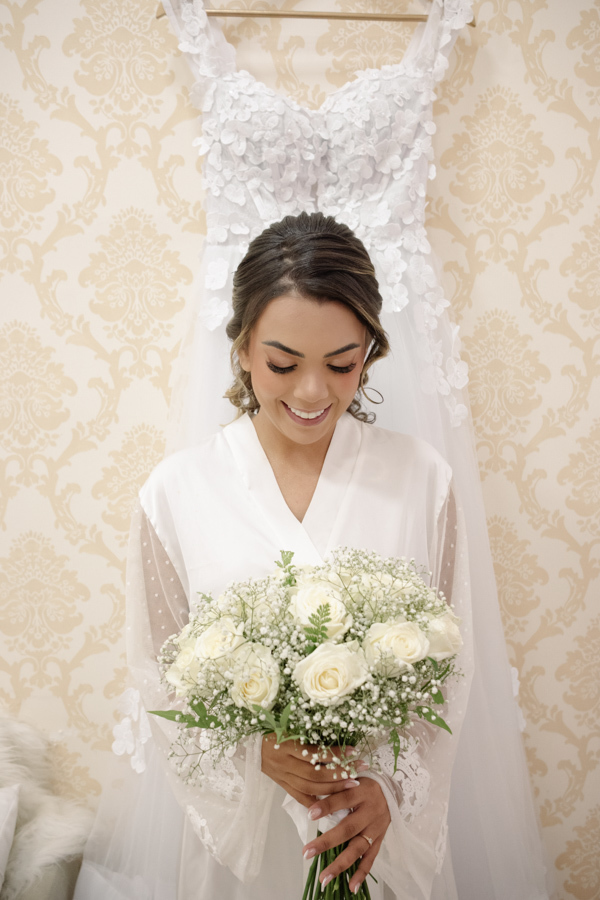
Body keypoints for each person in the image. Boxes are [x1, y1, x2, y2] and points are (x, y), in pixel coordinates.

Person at [75, 212, 547, 900]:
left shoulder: (422, 479)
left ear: (373, 353)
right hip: (251, 845)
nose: (311, 393)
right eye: (283, 363)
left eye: (341, 364)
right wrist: (256, 754)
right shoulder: (174, 493)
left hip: (378, 837)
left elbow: (454, 666)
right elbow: (161, 678)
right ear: (240, 348)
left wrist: (390, 792)